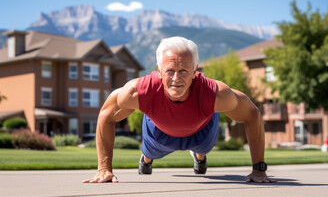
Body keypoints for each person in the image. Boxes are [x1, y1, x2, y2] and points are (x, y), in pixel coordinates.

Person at [83, 36, 276, 183]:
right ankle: (146, 159)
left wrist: (259, 169)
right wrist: (104, 169)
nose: (176, 78)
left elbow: (252, 114)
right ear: (159, 70)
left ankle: (200, 157)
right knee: (151, 152)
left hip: (202, 130)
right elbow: (106, 115)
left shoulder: (216, 94)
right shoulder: (137, 92)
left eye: (183, 71)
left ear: (195, 70)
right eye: (170, 71)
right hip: (160, 132)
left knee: (203, 148)